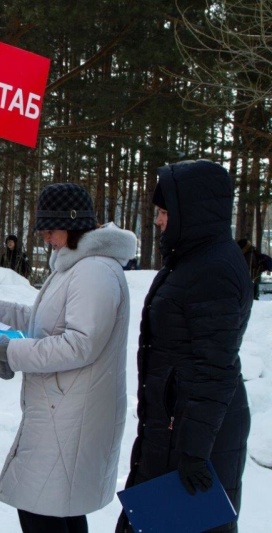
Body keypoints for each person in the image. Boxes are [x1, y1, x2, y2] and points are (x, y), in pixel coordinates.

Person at [0, 183, 135, 533]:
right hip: (62, 409)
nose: (45, 238)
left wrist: (11, 350)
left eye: (49, 230)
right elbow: (47, 319)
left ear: (73, 224)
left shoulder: (95, 271)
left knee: (44, 511)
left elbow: (79, 344)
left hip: (73, 413)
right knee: (56, 509)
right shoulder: (75, 265)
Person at [116, 160, 252, 533]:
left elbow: (215, 369)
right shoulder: (192, 260)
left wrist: (193, 452)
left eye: (164, 212)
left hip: (196, 436)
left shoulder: (215, 270)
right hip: (176, 427)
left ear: (189, 212)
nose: (158, 220)